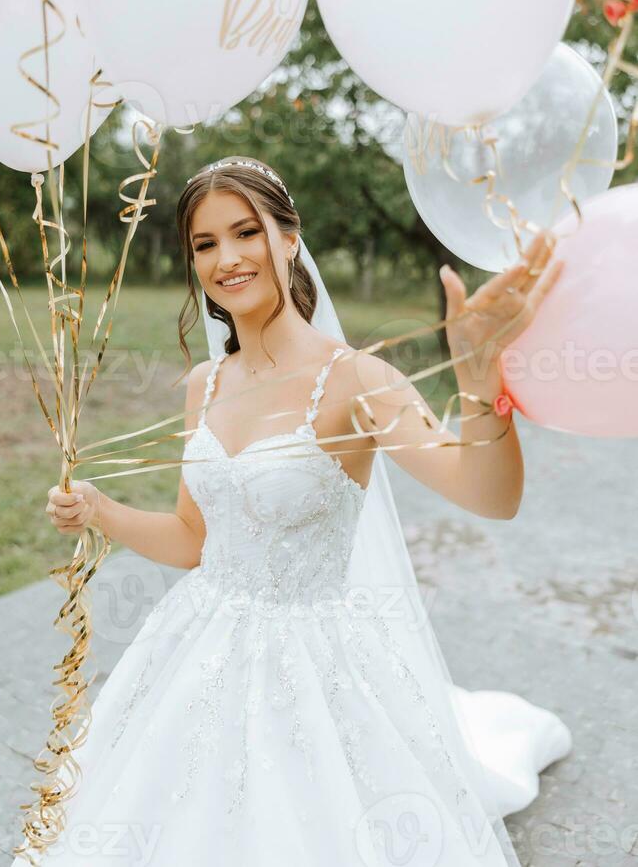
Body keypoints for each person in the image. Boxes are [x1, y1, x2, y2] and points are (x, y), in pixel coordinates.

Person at [35, 156, 572, 866]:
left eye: (245, 232)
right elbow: (195, 539)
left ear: (289, 240)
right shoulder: (204, 383)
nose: (226, 259)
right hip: (198, 646)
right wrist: (101, 509)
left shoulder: (356, 380)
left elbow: (491, 496)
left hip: (311, 667)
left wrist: (480, 384)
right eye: (204, 244)